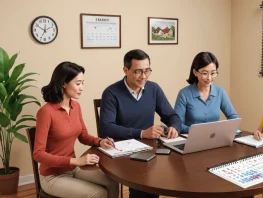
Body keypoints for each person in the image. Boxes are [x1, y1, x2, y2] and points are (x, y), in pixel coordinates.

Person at [99, 49, 182, 198]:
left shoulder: (153, 88)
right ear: (125, 70)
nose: (144, 77)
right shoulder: (111, 93)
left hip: (148, 149)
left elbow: (172, 116)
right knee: (146, 185)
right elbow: (106, 128)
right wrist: (141, 133)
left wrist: (174, 127)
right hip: (122, 152)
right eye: (138, 72)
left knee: (168, 175)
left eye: (147, 71)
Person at [33, 62, 119, 198]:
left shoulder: (75, 106)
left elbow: (83, 135)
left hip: (73, 169)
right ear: (64, 83)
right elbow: (38, 154)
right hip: (52, 176)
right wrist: (76, 161)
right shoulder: (46, 112)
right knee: (99, 194)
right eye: (78, 83)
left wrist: (100, 141)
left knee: (113, 181)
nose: (82, 88)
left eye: (82, 83)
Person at [174, 52, 239, 133]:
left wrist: (224, 129)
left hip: (215, 139)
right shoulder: (184, 94)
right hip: (191, 139)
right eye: (205, 73)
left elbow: (233, 117)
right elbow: (177, 124)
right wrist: (200, 131)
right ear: (195, 72)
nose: (209, 78)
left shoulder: (220, 92)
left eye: (213, 73)